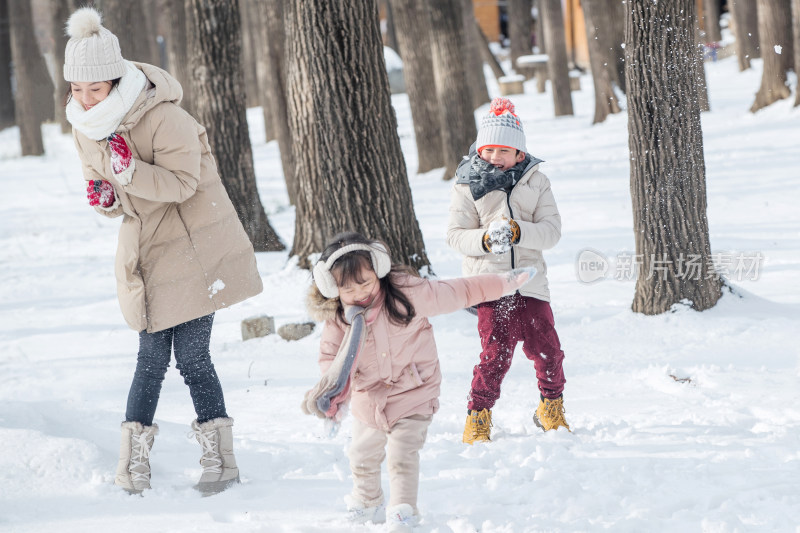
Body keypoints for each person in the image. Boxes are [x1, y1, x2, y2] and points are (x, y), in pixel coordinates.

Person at [62, 7, 263, 495]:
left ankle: (222, 459)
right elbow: (106, 187)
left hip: (195, 248)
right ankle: (133, 463)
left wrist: (130, 174)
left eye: (95, 89)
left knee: (193, 357)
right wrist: (105, 198)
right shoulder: (84, 126)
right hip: (146, 252)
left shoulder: (165, 116)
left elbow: (184, 184)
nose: (85, 100)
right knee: (150, 358)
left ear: (116, 80)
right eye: (76, 90)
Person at [301, 232, 532, 531]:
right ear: (332, 288)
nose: (359, 293)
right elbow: (332, 363)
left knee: (401, 455)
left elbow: (458, 291)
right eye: (348, 289)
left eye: (365, 282)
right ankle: (367, 500)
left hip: (414, 391)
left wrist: (504, 282)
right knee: (360, 455)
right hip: (368, 399)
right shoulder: (339, 319)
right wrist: (334, 397)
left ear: (379, 271)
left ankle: (403, 510)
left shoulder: (408, 294)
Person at [446, 97, 571, 445]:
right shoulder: (466, 185)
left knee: (548, 350)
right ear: (480, 150)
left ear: (520, 154)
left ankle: (551, 407)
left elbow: (552, 231)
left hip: (531, 284)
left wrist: (519, 232)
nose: (496, 157)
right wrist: (486, 239)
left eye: (505, 150)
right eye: (490, 150)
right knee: (495, 354)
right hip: (491, 285)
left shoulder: (537, 182)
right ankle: (478, 415)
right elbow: (455, 236)